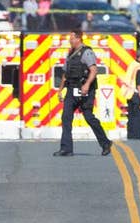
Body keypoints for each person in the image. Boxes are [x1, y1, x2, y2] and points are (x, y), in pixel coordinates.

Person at [53, 29, 112, 157]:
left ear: (79, 38)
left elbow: (94, 70)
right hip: (71, 89)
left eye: (72, 38)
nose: (70, 40)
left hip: (85, 90)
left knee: (89, 117)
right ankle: (66, 148)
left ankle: (105, 143)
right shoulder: (70, 54)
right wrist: (60, 90)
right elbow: (65, 74)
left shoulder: (87, 52)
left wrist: (87, 85)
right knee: (66, 117)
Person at [123, 49, 140, 140]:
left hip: (130, 95)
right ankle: (135, 140)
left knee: (131, 119)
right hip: (137, 96)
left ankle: (130, 139)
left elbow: (134, 81)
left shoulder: (133, 64)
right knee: (137, 120)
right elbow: (139, 85)